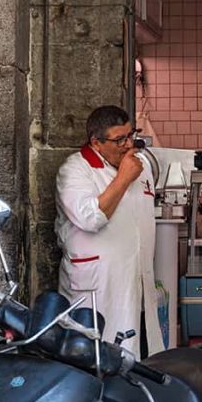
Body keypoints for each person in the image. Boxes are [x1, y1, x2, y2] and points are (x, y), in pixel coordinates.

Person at [54, 105, 164, 358]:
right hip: (97, 286)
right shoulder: (75, 170)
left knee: (140, 355)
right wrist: (123, 178)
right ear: (96, 142)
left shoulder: (142, 166)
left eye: (130, 135)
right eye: (119, 140)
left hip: (137, 279)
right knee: (95, 355)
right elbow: (90, 218)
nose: (128, 145)